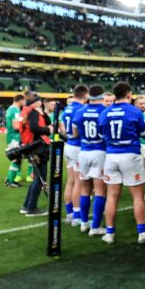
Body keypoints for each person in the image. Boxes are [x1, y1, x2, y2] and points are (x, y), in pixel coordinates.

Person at [98, 82, 145, 245]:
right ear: (128, 94)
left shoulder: (105, 112)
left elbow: (100, 133)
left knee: (111, 196)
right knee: (138, 197)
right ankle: (142, 232)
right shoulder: (134, 111)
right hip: (130, 155)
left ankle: (109, 233)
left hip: (111, 156)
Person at [71, 85, 108, 235]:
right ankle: (96, 226)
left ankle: (84, 223)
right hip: (99, 151)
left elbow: (74, 133)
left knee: (84, 190)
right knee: (99, 190)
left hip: (83, 152)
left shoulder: (80, 111)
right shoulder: (104, 111)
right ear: (102, 95)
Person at [19, 95, 52, 217]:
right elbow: (34, 127)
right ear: (36, 102)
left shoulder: (29, 111)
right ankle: (31, 208)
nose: (42, 103)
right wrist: (48, 130)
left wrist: (43, 113)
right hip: (37, 147)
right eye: (40, 101)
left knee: (37, 178)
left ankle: (27, 205)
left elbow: (47, 122)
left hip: (32, 146)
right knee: (40, 178)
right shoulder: (32, 112)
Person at [60, 86, 88, 226]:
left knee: (70, 181)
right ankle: (77, 216)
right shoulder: (81, 109)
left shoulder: (67, 109)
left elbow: (63, 129)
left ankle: (70, 212)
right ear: (85, 95)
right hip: (77, 146)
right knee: (78, 182)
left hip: (68, 145)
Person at [3, 94, 24, 188]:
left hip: (11, 137)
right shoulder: (15, 110)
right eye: (24, 101)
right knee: (16, 159)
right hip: (14, 137)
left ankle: (9, 179)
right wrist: (24, 124)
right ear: (20, 100)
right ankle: (10, 181)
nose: (24, 103)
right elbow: (16, 126)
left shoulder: (10, 109)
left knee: (17, 159)